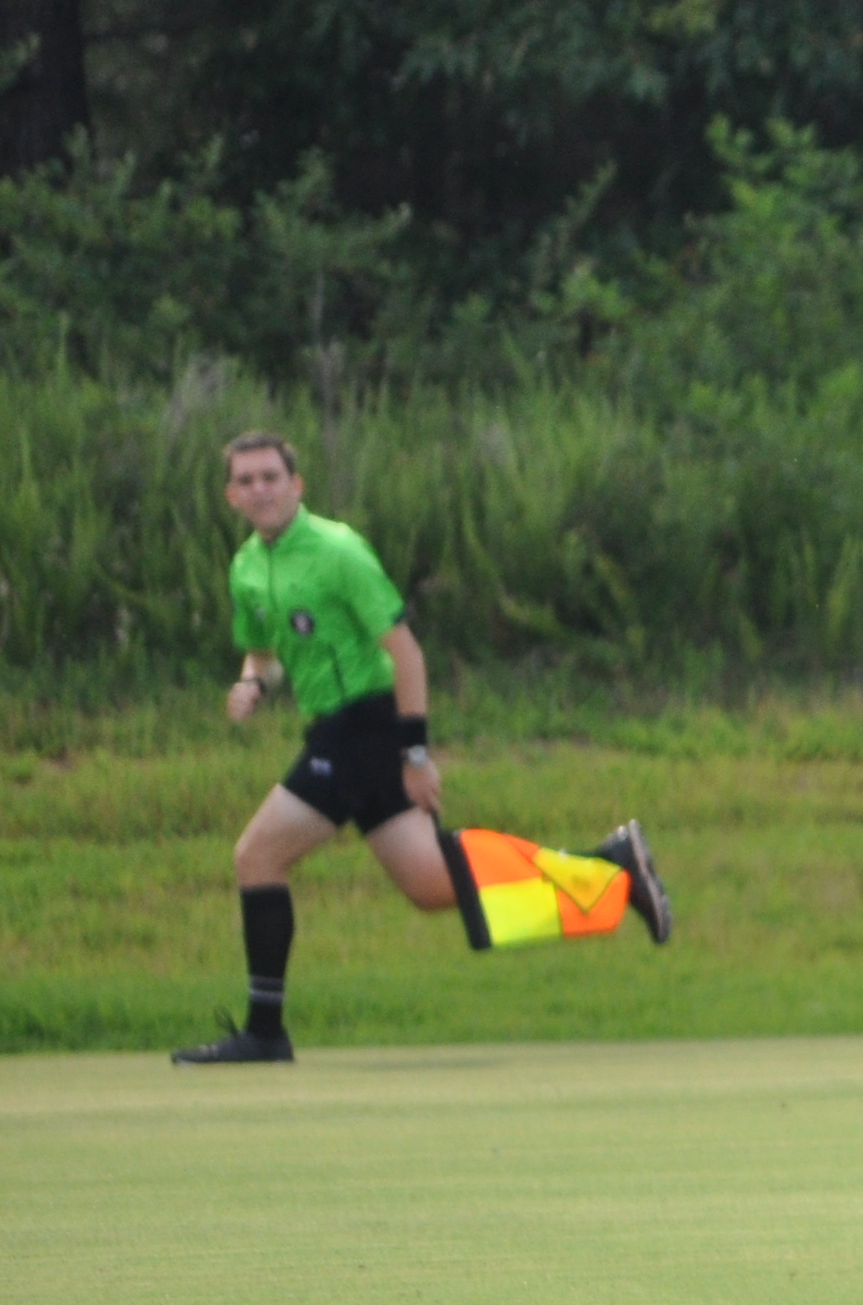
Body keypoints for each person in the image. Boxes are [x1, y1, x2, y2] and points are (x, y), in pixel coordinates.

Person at [174, 429, 670, 1065]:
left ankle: (264, 1033)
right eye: (246, 480)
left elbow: (405, 653)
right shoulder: (247, 566)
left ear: (296, 485)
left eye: (271, 476)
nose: (259, 488)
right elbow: (265, 654)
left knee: (257, 856)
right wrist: (251, 684)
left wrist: (414, 756)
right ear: (230, 496)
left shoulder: (337, 551)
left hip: (369, 727)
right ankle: (612, 870)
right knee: (433, 888)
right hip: (335, 729)